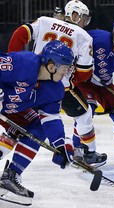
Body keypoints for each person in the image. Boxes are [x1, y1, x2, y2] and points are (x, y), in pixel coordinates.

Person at [7, 0, 107, 168]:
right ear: (74, 16)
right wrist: (72, 77)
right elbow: (84, 73)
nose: (85, 22)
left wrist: (14, 61)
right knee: (84, 114)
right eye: (83, 18)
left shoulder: (45, 21)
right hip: (58, 88)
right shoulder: (83, 36)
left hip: (31, 81)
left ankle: (12, 166)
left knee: (20, 126)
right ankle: (88, 154)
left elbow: (20, 33)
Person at [0, 40, 74, 199]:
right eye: (65, 68)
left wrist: (60, 145)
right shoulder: (25, 62)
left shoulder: (55, 90)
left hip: (10, 110)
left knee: (38, 127)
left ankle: (11, 175)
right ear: (52, 65)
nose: (67, 72)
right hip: (4, 103)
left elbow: (51, 118)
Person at [72, 16, 114, 153]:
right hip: (85, 80)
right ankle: (77, 147)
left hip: (104, 83)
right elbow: (78, 43)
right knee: (88, 110)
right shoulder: (98, 37)